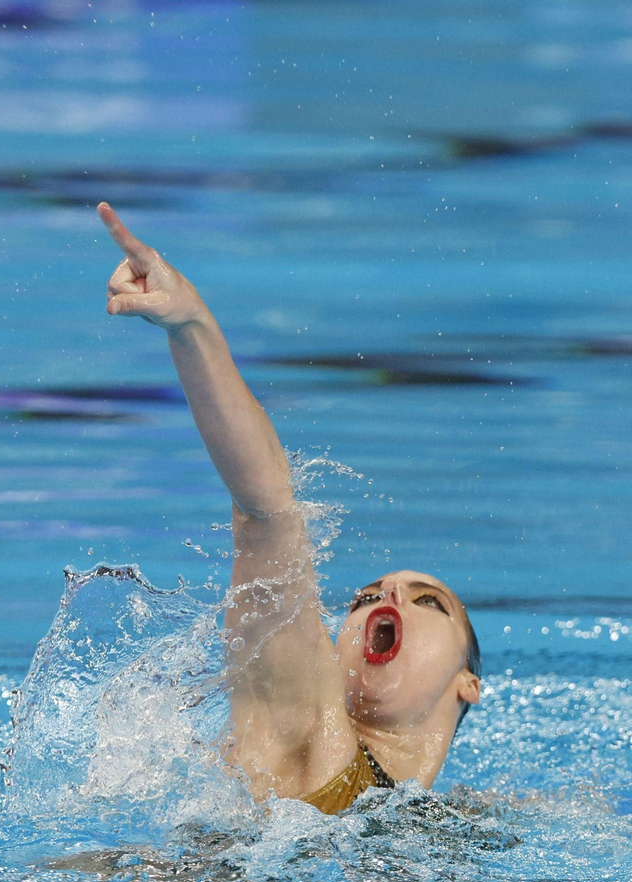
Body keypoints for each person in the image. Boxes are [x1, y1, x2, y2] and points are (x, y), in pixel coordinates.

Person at [96, 202, 481, 814]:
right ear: (333, 652)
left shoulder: (467, 818)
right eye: (364, 599)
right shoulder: (313, 735)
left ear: (470, 685)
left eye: (429, 602)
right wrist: (191, 325)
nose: (389, 600)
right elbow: (266, 511)